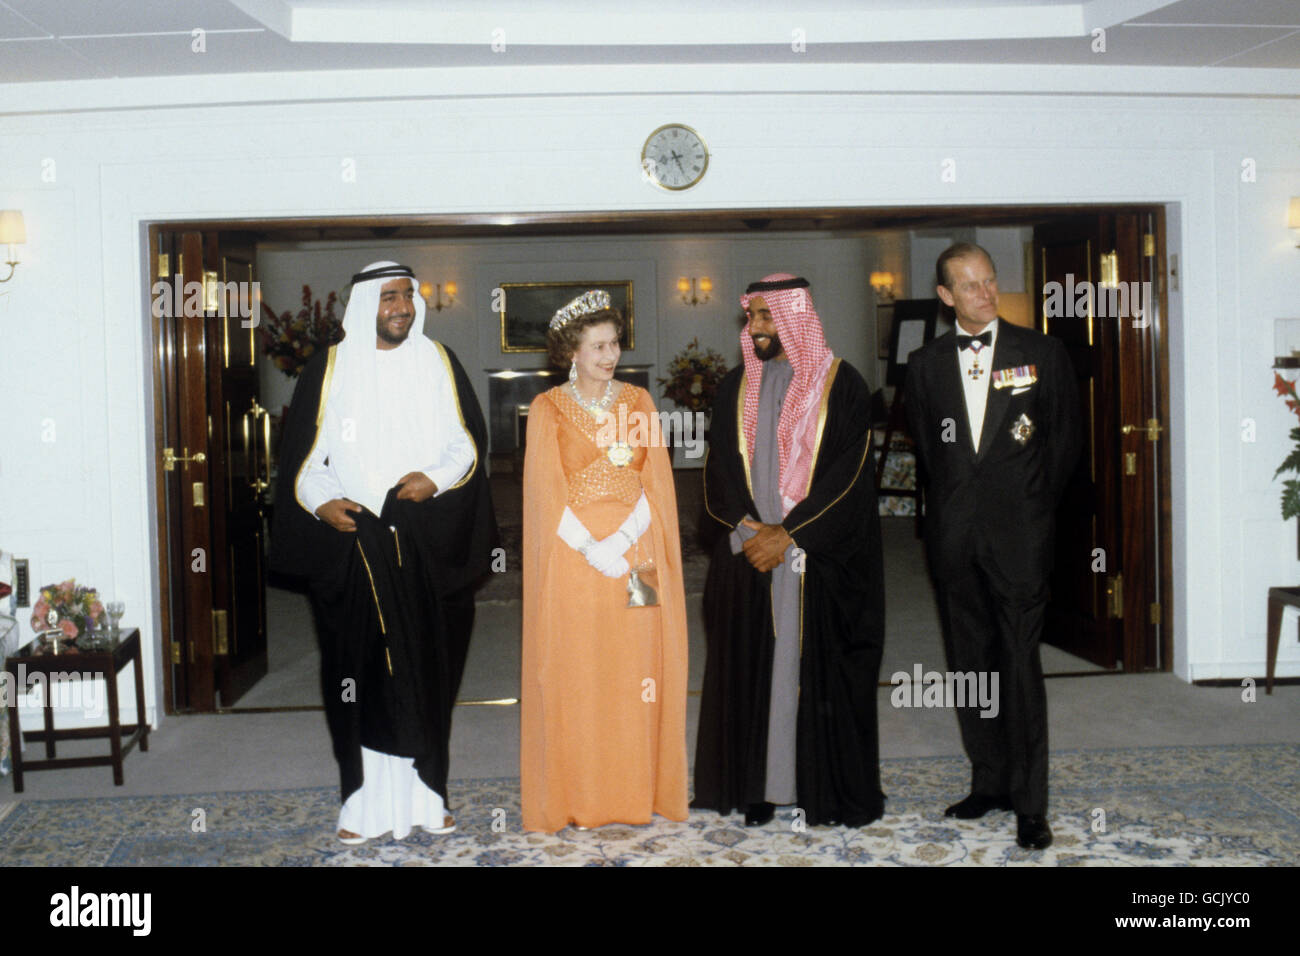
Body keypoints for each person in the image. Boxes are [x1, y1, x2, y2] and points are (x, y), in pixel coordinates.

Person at [270, 261, 497, 845]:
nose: (400, 306)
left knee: (429, 668)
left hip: (422, 539)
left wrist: (435, 479)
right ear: (366, 303)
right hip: (356, 545)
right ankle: (361, 803)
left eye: (406, 296)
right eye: (388, 296)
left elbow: (466, 442)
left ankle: (429, 794)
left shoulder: (437, 361)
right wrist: (321, 503)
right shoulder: (331, 367)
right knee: (356, 672)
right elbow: (304, 459)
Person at [904, 242, 1081, 850]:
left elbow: (1062, 449)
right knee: (970, 663)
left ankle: (1031, 802)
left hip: (1020, 538)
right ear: (947, 296)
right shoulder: (924, 364)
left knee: (1019, 664)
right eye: (970, 286)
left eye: (990, 281)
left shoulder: (1042, 353)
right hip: (956, 539)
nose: (985, 293)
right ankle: (989, 782)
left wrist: (1026, 507)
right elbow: (931, 453)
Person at [692, 273, 886, 828]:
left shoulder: (841, 386)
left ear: (794, 316)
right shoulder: (734, 388)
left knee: (809, 671)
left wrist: (791, 533)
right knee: (753, 669)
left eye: (764, 316)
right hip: (752, 553)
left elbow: (848, 479)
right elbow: (719, 471)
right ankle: (755, 786)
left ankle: (814, 787)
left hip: (814, 559)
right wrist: (747, 530)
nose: (753, 328)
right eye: (750, 317)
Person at [520, 289, 689, 832]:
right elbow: (545, 496)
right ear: (572, 350)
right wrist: (591, 547)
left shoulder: (638, 402)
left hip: (634, 553)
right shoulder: (547, 409)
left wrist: (620, 542)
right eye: (597, 346)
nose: (609, 355)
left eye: (614, 343)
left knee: (635, 671)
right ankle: (582, 795)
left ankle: (634, 792)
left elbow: (655, 484)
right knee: (580, 671)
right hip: (574, 559)